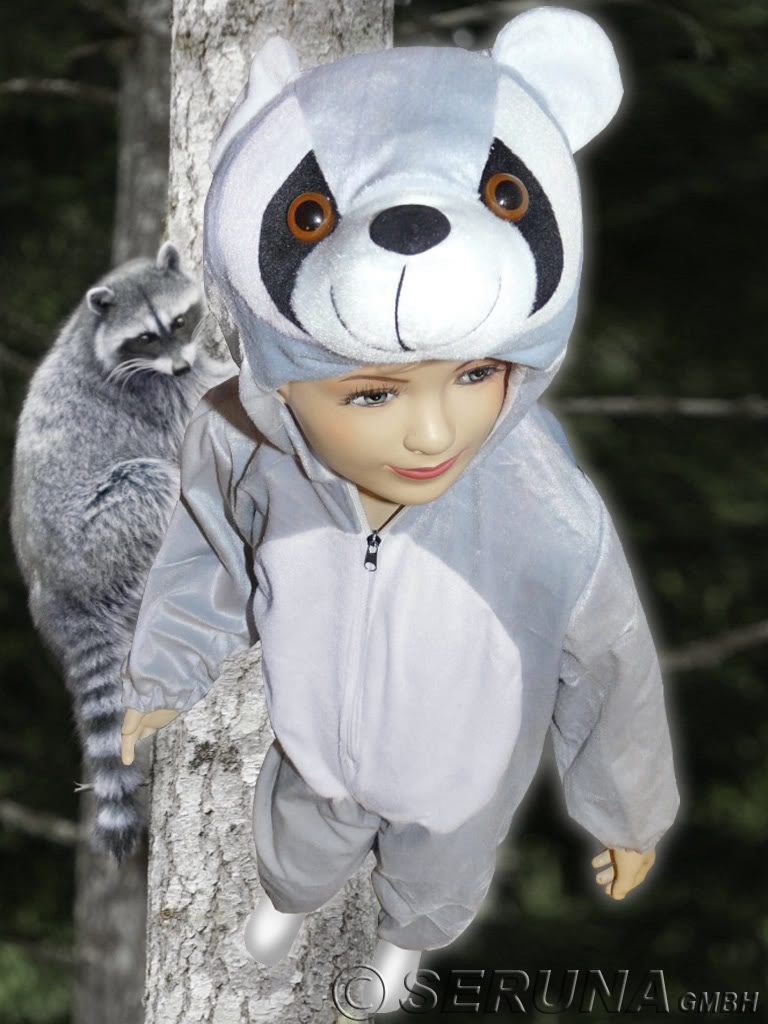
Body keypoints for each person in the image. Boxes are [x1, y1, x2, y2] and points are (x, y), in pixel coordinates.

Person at [121, 7, 678, 1013]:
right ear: (286, 376)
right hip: (316, 741)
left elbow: (611, 664)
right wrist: (165, 668)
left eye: (474, 374)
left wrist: (627, 813)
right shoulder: (249, 443)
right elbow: (208, 549)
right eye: (373, 393)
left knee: (438, 879)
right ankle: (288, 905)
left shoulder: (545, 512)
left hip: (465, 772)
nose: (431, 434)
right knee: (299, 838)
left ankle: (402, 945)